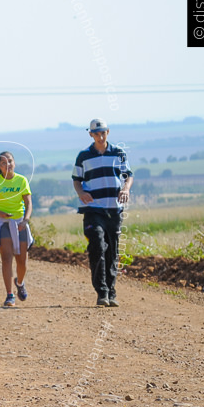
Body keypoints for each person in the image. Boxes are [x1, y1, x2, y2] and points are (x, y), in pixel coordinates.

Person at [72, 119, 133, 307]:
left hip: (113, 209)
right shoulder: (83, 156)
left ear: (108, 132)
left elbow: (128, 175)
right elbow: (76, 179)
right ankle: (102, 292)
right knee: (97, 245)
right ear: (90, 134)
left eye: (103, 132)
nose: (100, 135)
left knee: (112, 251)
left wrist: (126, 189)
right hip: (93, 209)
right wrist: (81, 193)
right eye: (96, 133)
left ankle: (111, 292)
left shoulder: (118, 153)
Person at [0, 152, 33, 307]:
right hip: (3, 223)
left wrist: (25, 220)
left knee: (22, 260)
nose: (8, 165)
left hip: (20, 222)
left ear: (14, 163)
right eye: (4, 163)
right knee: (6, 258)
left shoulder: (22, 180)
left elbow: (28, 202)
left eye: (10, 161)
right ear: (0, 166)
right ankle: (9, 295)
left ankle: (19, 283)